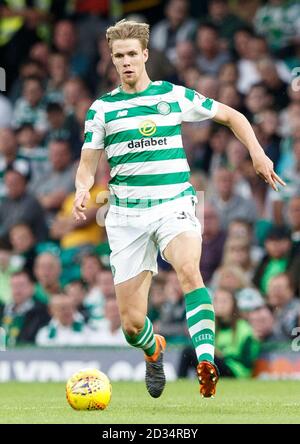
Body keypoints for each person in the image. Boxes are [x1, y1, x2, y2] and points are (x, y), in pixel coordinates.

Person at [72, 19, 285, 399]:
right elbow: (88, 162)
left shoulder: (173, 96)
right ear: (112, 59)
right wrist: (81, 189)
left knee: (189, 270)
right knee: (132, 326)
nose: (126, 62)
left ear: (145, 55)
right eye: (119, 56)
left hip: (175, 204)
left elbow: (232, 115)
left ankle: (207, 360)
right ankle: (154, 350)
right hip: (126, 216)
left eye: (132, 55)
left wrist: (258, 153)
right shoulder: (102, 109)